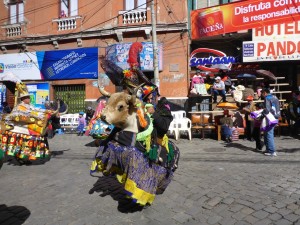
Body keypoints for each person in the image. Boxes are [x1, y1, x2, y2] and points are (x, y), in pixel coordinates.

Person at [261, 88, 280, 157]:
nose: (262, 95)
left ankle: (272, 151)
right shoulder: (275, 97)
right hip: (276, 116)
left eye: (262, 93)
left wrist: (260, 115)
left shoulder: (267, 98)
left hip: (270, 118)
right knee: (267, 133)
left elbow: (267, 110)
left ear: (265, 93)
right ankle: (268, 149)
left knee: (269, 134)